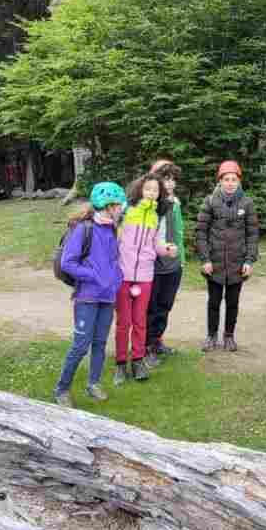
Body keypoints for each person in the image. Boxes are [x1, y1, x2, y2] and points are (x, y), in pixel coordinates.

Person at [53, 182, 127, 406]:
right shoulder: (84, 229)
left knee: (100, 343)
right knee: (80, 345)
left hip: (107, 297)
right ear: (107, 205)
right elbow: (68, 263)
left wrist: (116, 279)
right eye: (117, 205)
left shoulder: (110, 227)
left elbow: (112, 261)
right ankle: (62, 389)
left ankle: (93, 383)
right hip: (87, 297)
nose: (121, 209)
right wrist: (95, 276)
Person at [195, 160, 259, 352]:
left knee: (233, 303)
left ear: (239, 181)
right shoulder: (210, 201)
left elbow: (252, 234)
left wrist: (249, 260)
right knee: (213, 302)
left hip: (237, 264)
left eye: (234, 179)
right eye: (226, 179)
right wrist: (205, 259)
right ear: (220, 181)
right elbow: (200, 232)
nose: (230, 183)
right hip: (213, 264)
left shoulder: (247, 203)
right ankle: (211, 336)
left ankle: (229, 336)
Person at [114, 172, 171, 384]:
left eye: (155, 190)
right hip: (123, 274)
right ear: (140, 190)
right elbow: (114, 234)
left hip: (145, 275)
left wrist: (166, 249)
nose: (151, 193)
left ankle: (137, 361)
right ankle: (120, 364)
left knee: (140, 321)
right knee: (124, 322)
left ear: (159, 194)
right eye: (148, 189)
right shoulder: (127, 210)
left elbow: (156, 245)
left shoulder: (157, 217)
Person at [145, 160, 185, 366]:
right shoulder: (148, 206)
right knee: (150, 310)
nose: (170, 184)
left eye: (172, 179)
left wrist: (181, 261)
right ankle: (146, 347)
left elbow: (178, 234)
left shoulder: (175, 203)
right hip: (152, 268)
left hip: (173, 266)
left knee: (165, 307)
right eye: (165, 179)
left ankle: (157, 341)